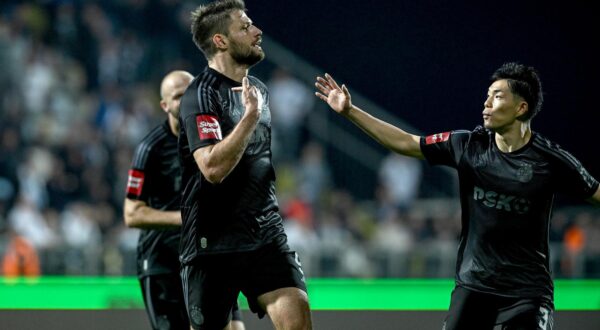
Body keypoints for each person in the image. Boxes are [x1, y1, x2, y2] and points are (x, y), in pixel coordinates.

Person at [315, 63, 600, 330]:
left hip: (528, 293)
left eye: (497, 97)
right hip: (474, 286)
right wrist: (351, 112)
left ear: (520, 107)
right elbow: (406, 142)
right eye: (487, 96)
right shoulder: (468, 145)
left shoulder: (551, 160)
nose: (486, 104)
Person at [178, 1, 312, 330]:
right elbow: (211, 169)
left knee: (298, 317)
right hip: (212, 245)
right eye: (245, 27)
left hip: (265, 237)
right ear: (221, 41)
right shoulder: (200, 96)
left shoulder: (260, 91)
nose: (257, 31)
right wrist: (250, 117)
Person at [124, 70, 245, 330]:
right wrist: (185, 218)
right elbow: (132, 213)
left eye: (190, 91)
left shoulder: (215, 137)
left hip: (207, 256)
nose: (186, 99)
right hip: (163, 261)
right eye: (178, 96)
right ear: (164, 105)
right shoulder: (151, 149)